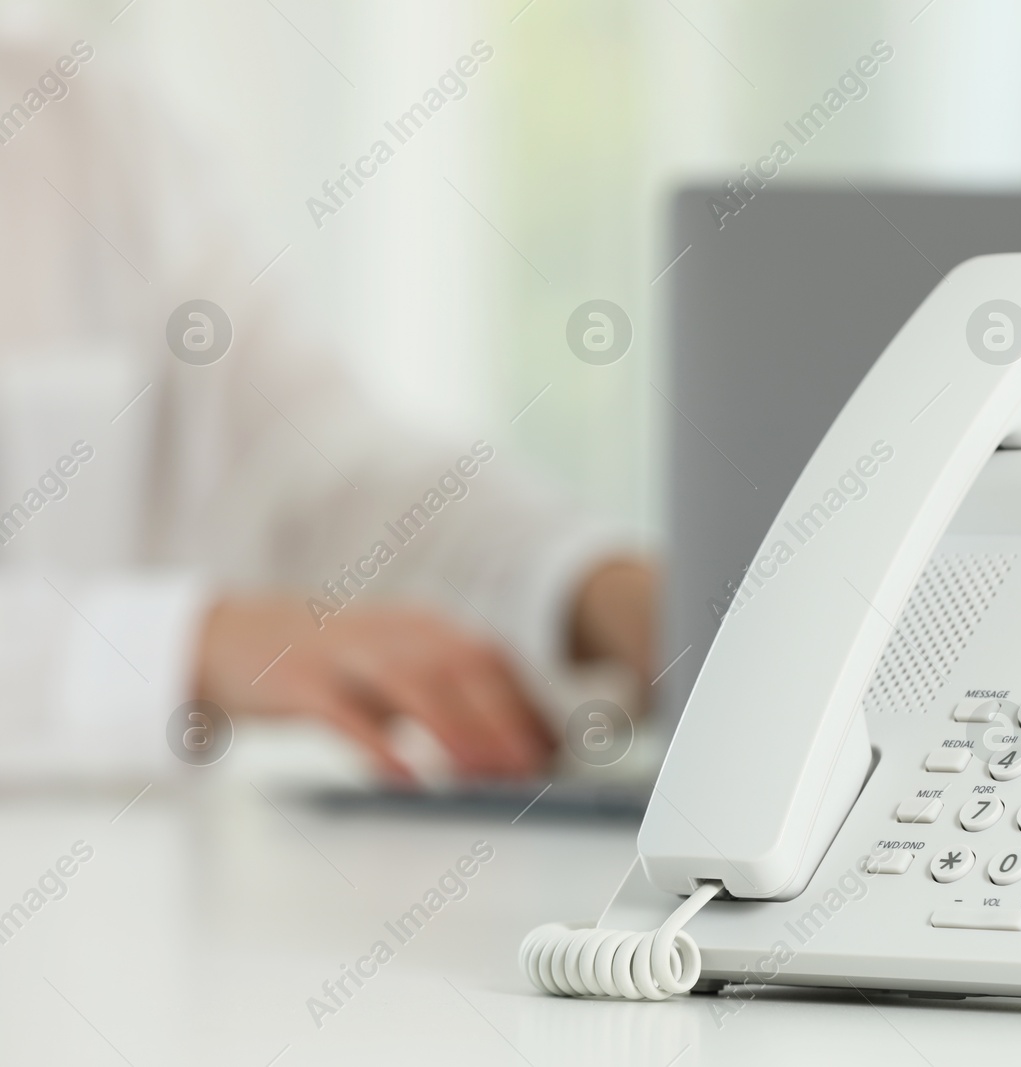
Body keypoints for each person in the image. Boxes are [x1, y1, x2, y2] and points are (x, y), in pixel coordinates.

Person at [0, 32, 655, 782]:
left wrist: (585, 586)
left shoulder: (91, 129)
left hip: (139, 881)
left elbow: (316, 465)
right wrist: (191, 644)